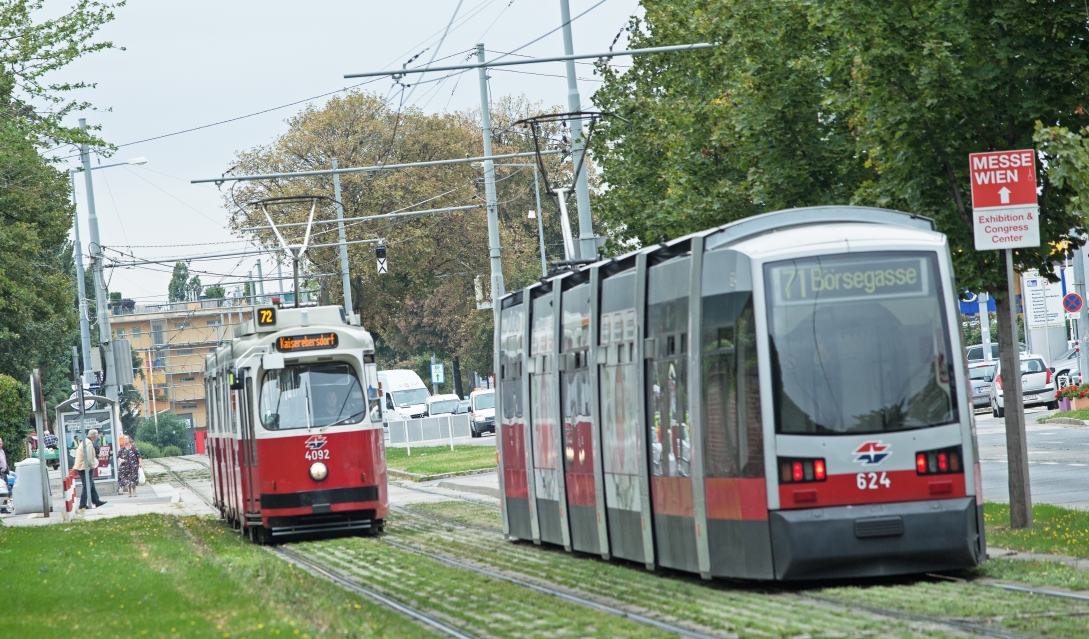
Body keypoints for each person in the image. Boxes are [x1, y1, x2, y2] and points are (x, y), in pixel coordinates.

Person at [74, 429, 106, 510]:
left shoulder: (85, 441)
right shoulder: (89, 443)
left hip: (81, 466)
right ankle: (82, 504)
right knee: (87, 486)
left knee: (91, 485)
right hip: (85, 467)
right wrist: (92, 465)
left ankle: (96, 501)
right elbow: (88, 458)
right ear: (94, 436)